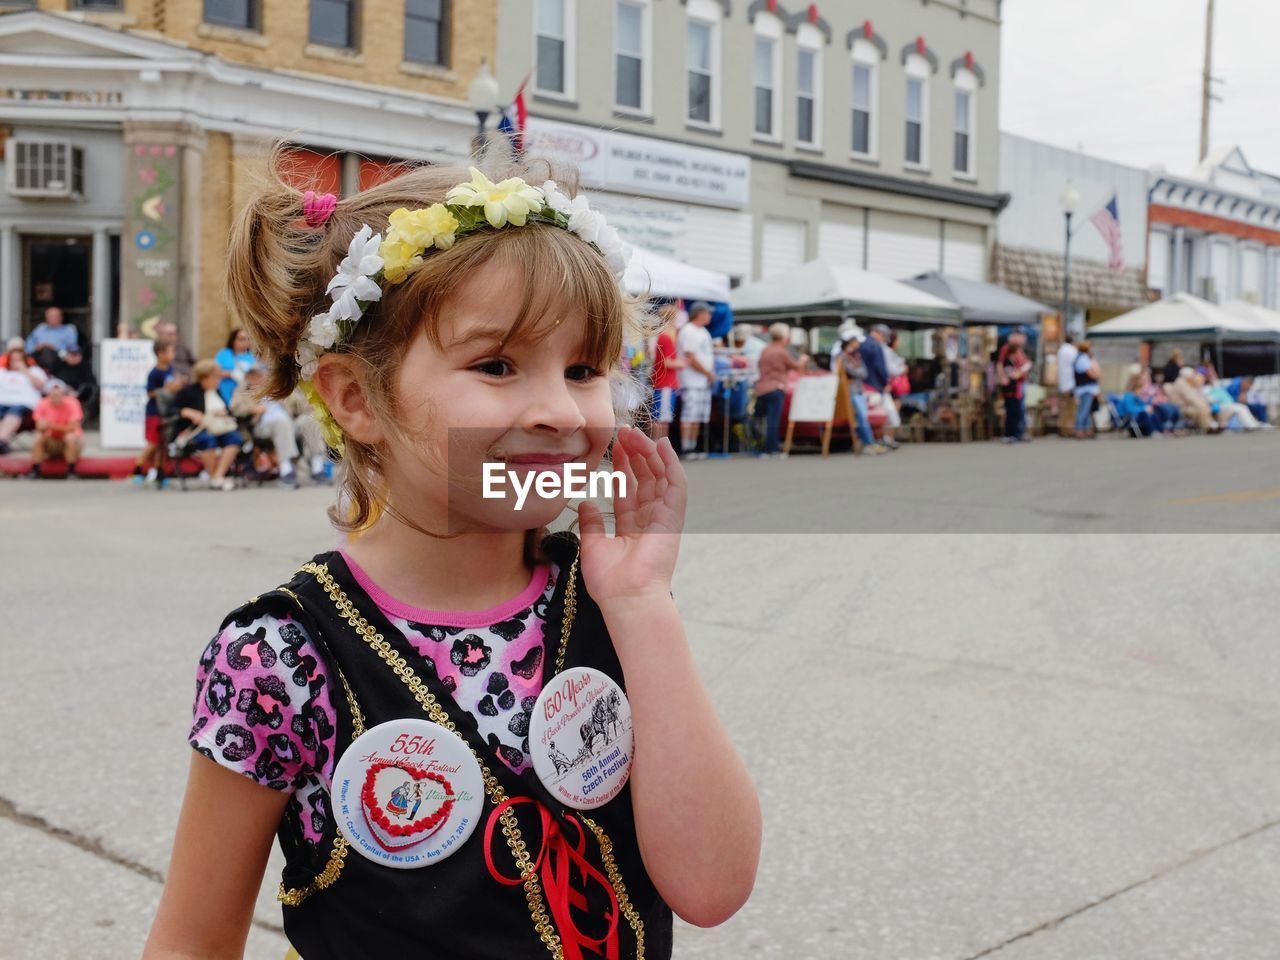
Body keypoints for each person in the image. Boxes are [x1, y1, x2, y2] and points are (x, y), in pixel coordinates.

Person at [144, 160, 760, 960]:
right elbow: (192, 942)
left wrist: (643, 604)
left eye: (583, 369)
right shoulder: (281, 656)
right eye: (497, 365)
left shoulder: (607, 602)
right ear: (356, 399)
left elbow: (712, 887)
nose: (559, 410)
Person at [230, 362, 311, 487]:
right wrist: (253, 409)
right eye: (251, 375)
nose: (254, 377)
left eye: (257, 374)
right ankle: (286, 467)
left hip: (289, 423)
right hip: (261, 427)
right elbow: (234, 408)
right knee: (281, 421)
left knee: (310, 421)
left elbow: (301, 405)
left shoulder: (279, 387)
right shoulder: (243, 390)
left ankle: (318, 465)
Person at [172, 358, 243, 491]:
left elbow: (227, 409)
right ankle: (215, 478)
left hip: (218, 428)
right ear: (204, 377)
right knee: (207, 439)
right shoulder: (189, 391)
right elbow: (172, 410)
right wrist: (188, 412)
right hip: (195, 431)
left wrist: (223, 412)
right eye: (215, 377)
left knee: (235, 438)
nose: (218, 380)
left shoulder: (216, 391)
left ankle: (218, 475)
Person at [754, 322, 808, 457]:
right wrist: (802, 360)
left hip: (762, 388)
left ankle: (763, 448)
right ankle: (771, 449)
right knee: (773, 420)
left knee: (762, 420)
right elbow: (796, 366)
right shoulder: (781, 352)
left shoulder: (765, 350)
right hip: (776, 387)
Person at [132, 341, 177, 485]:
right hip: (154, 412)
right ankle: (137, 468)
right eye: (170, 351)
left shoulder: (170, 369)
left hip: (165, 412)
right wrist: (165, 390)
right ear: (161, 354)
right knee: (153, 442)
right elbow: (150, 393)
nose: (172, 355)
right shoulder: (154, 373)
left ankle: (160, 471)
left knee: (162, 444)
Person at [677, 301, 715, 459]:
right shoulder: (689, 330)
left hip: (702, 381)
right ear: (700, 313)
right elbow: (690, 357)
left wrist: (708, 374)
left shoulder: (703, 331)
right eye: (708, 312)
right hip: (692, 380)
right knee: (689, 415)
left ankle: (694, 445)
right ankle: (686, 447)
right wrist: (707, 373)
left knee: (698, 416)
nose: (710, 316)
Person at [28, 378, 84, 478]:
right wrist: (47, 427)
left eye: (58, 393)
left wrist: (51, 426)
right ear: (48, 394)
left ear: (63, 393)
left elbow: (72, 427)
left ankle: (71, 471)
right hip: (51, 441)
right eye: (53, 394)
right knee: (38, 437)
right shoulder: (42, 403)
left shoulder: (72, 403)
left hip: (70, 441)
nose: (56, 396)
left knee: (70, 437)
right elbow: (39, 426)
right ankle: (35, 470)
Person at [837, 337, 884, 455]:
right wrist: (856, 368)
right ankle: (868, 443)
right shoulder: (842, 358)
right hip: (849, 391)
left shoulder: (856, 358)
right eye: (855, 343)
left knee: (863, 417)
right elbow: (856, 372)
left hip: (858, 390)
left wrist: (857, 368)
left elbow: (864, 373)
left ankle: (866, 442)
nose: (857, 346)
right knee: (862, 417)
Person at [0, 342, 47, 454]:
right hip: (3, 402)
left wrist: (24, 370)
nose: (15, 362)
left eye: (18, 359)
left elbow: (41, 385)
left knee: (14, 411)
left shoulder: (35, 371)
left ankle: (2, 441)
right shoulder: (2, 372)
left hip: (25, 405)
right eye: (13, 359)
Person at [860, 324, 901, 449]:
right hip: (876, 386)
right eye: (884, 336)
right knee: (886, 414)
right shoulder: (876, 347)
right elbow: (881, 369)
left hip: (863, 386)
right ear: (877, 333)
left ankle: (880, 439)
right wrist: (885, 383)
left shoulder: (861, 344)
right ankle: (884, 440)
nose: (884, 340)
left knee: (868, 414)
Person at [648, 304, 681, 443]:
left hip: (661, 381)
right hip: (666, 382)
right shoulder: (666, 337)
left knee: (659, 417)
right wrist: (683, 363)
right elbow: (666, 362)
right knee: (662, 418)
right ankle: (659, 445)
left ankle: (657, 445)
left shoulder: (661, 335)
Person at [996, 329, 1032, 444]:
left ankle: (1018, 433)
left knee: (1018, 410)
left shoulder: (1019, 351)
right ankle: (1012, 434)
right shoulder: (1006, 350)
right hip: (1013, 387)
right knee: (1013, 410)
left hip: (1018, 386)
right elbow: (1001, 365)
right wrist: (1003, 377)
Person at [53, 343, 98, 423]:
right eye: (72, 354)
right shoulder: (60, 365)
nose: (74, 356)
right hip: (59, 392)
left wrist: (78, 392)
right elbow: (52, 378)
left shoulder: (85, 367)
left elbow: (91, 384)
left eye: (77, 354)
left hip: (77, 394)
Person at [24, 306, 80, 371]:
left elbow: (73, 348)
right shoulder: (40, 328)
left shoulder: (68, 329)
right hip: (38, 356)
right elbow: (28, 347)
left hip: (60, 358)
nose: (53, 318)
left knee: (47, 352)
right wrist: (37, 347)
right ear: (46, 317)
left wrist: (52, 348)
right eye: (50, 316)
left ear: (61, 317)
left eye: (56, 316)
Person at [1163, 367, 1216, 432]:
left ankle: (1210, 426)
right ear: (1188, 376)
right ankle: (1209, 427)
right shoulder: (1181, 383)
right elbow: (1190, 398)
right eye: (1192, 375)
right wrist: (1203, 406)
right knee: (1200, 410)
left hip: (1186, 406)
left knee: (1202, 408)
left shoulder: (1185, 383)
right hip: (1181, 408)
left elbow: (1195, 397)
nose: (1194, 377)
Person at [215, 327, 255, 408]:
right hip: (225, 391)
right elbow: (215, 373)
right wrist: (231, 373)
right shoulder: (224, 354)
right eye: (241, 339)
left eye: (247, 339)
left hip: (245, 393)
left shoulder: (251, 357)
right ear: (233, 340)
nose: (245, 342)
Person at [1072, 339, 1101, 439]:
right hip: (1086, 388)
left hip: (1085, 388)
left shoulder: (1080, 358)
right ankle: (1079, 430)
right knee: (1083, 411)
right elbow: (1092, 374)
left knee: (1086, 410)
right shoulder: (1083, 359)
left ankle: (1087, 430)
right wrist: (1096, 374)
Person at [1056, 335, 1078, 437]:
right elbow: (1077, 364)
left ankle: (1063, 428)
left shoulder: (1061, 350)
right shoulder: (1071, 350)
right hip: (1070, 383)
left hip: (1063, 383)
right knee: (1070, 408)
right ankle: (1068, 429)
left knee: (1064, 407)